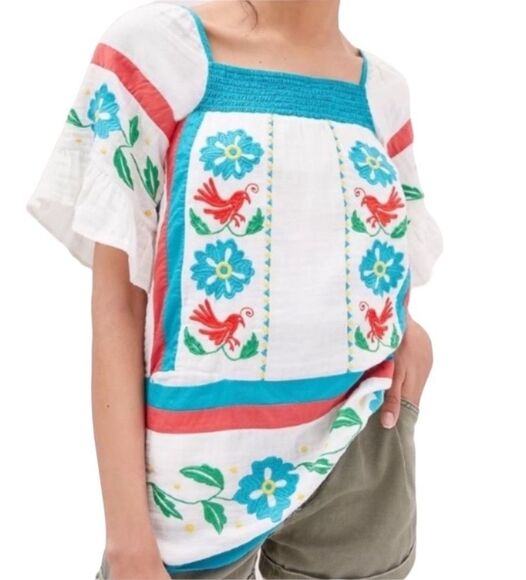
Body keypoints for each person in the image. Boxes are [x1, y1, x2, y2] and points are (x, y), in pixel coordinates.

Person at [26, 0, 443, 578]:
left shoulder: (383, 92)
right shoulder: (161, 51)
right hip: (194, 487)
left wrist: (408, 329)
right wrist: (127, 541)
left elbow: (374, 242)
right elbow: (119, 302)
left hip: (362, 447)